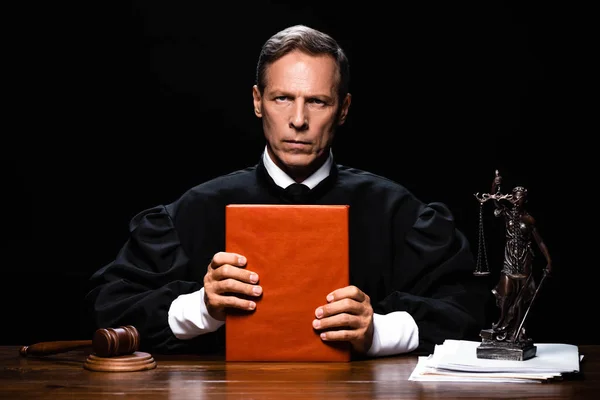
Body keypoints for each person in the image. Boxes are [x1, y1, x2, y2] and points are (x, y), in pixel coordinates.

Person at [85, 24, 489, 358]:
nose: (298, 120)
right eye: (283, 98)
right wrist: (201, 308)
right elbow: (109, 307)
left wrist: (379, 332)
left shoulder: (399, 212)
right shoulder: (194, 210)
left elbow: (471, 312)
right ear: (258, 101)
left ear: (343, 109)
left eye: (317, 101)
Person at [488, 171, 552, 342]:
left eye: (520, 197)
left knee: (521, 297)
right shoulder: (507, 214)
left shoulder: (529, 219)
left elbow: (540, 242)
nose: (517, 200)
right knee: (506, 293)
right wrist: (495, 184)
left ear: (525, 199)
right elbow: (494, 200)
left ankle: (516, 331)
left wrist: (549, 261)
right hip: (509, 259)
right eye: (514, 196)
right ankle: (502, 324)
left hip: (524, 260)